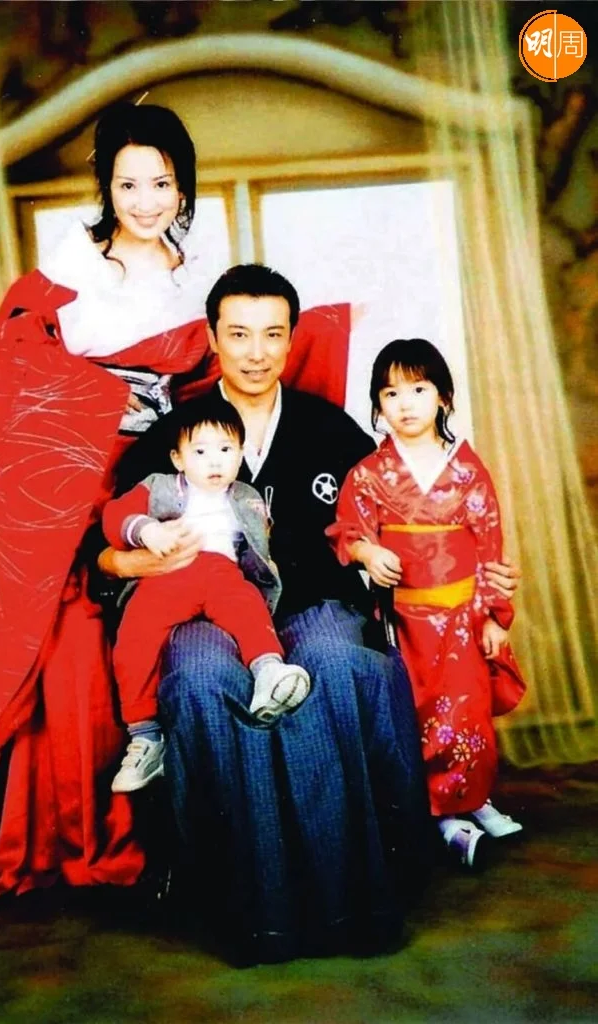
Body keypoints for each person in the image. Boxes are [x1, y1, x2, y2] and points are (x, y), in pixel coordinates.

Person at [0, 104, 351, 909]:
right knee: (77, 645)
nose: (145, 201)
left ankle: (177, 844)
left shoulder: (197, 267)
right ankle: (79, 839)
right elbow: (10, 370)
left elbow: (220, 371)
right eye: (128, 185)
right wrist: (92, 405)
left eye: (161, 183)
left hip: (169, 469)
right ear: (105, 186)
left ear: (182, 185)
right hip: (80, 476)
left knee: (187, 628)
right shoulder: (71, 264)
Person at [103, 265, 521, 961]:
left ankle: (350, 907)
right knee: (203, 679)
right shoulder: (173, 434)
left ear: (292, 339)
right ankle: (251, 914)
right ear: (213, 338)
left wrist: (482, 573)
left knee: (335, 662)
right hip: (200, 607)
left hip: (310, 601)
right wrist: (132, 563)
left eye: (272, 334)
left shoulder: (330, 430)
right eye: (239, 334)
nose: (255, 352)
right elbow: (105, 546)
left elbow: (406, 525)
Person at [328, 339, 526, 870]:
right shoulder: (369, 473)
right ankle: (439, 813)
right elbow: (349, 530)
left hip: (462, 616)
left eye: (418, 389)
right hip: (404, 619)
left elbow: (489, 544)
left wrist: (494, 616)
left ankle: (474, 798)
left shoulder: (467, 469)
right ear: (378, 404)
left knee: (468, 711)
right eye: (391, 393)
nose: (405, 403)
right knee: (416, 713)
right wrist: (369, 552)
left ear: (443, 396)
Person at [102, 395, 310, 793]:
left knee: (249, 609)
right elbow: (114, 517)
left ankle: (268, 671)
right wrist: (147, 531)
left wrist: (265, 562)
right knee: (135, 640)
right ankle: (145, 735)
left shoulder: (246, 496)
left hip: (221, 574)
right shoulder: (159, 487)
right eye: (200, 452)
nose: (215, 462)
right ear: (178, 458)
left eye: (226, 450)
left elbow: (258, 548)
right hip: (167, 577)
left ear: (241, 453)